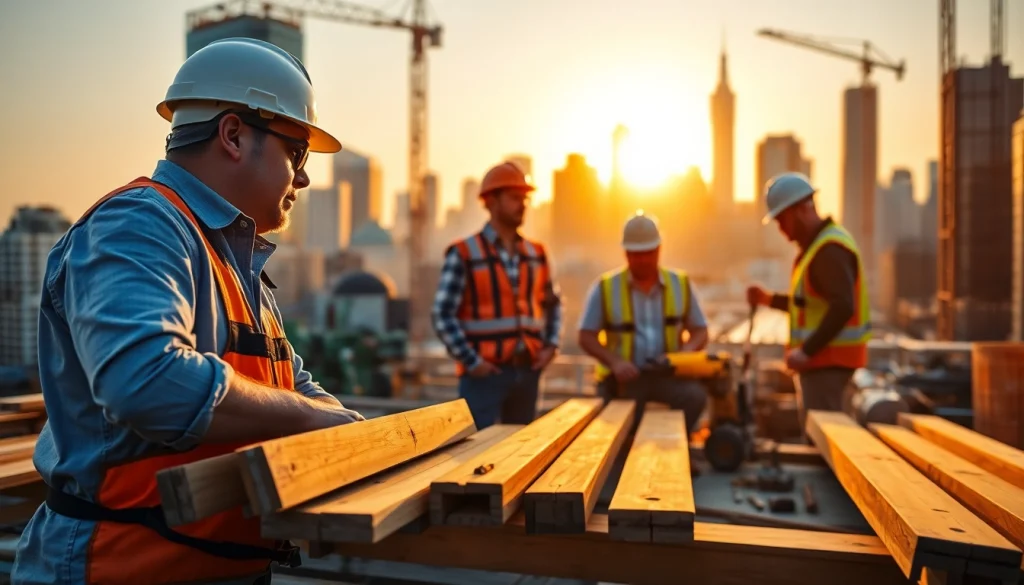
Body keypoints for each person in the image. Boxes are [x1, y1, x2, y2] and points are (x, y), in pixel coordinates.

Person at [13, 38, 366, 585]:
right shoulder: (139, 226)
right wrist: (310, 417)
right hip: (117, 567)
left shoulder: (236, 264)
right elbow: (147, 381)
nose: (303, 178)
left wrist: (351, 431)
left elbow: (295, 384)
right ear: (233, 134)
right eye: (296, 151)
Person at [431, 161, 562, 429]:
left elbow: (554, 304)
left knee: (520, 451)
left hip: (528, 372)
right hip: (483, 376)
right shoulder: (465, 253)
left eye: (525, 198)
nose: (523, 204)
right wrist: (472, 362)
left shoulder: (536, 254)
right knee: (474, 452)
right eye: (515, 198)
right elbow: (443, 314)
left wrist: (550, 346)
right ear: (491, 201)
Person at [746, 172, 870, 432]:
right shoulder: (818, 248)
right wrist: (769, 299)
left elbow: (843, 306)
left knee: (824, 439)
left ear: (801, 210)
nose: (780, 229)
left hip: (827, 364)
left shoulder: (828, 251)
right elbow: (808, 304)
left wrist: (807, 351)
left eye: (782, 220)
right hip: (824, 364)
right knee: (823, 436)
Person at [577, 211, 709, 435]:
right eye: (636, 254)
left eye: (648, 253)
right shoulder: (606, 287)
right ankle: (626, 454)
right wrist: (615, 362)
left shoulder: (680, 284)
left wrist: (685, 354)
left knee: (695, 397)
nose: (643, 260)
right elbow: (586, 336)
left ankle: (672, 444)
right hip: (623, 380)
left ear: (659, 250)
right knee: (617, 423)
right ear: (625, 253)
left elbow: (700, 331)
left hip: (666, 376)